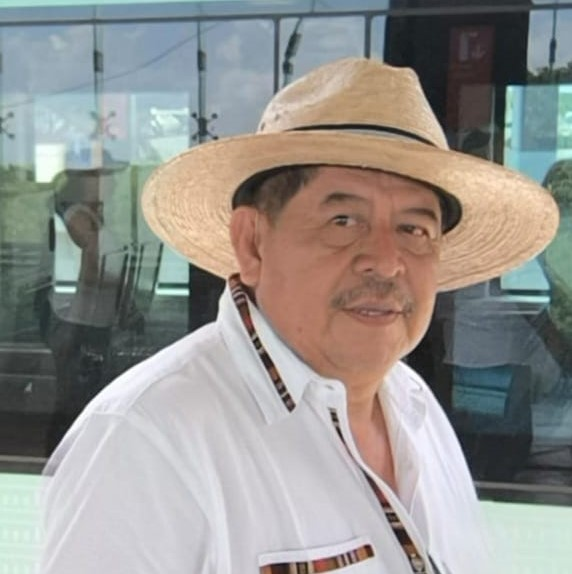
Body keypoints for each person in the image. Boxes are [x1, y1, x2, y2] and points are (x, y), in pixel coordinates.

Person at [39, 58, 559, 574]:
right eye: (343, 220)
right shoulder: (146, 440)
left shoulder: (416, 408)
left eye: (414, 229)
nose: (386, 261)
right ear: (253, 243)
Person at [42, 147, 128, 453]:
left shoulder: (92, 215)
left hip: (93, 321)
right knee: (74, 402)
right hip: (80, 323)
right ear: (88, 180)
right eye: (106, 176)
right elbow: (94, 270)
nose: (113, 183)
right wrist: (123, 292)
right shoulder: (78, 217)